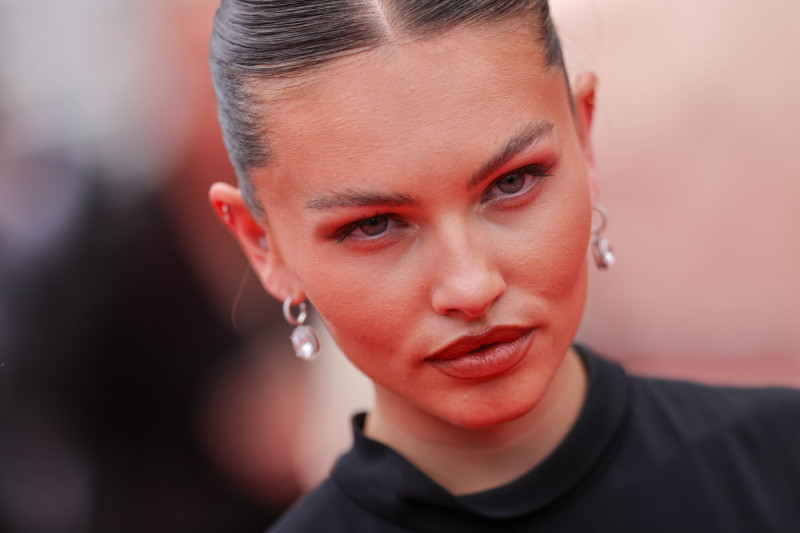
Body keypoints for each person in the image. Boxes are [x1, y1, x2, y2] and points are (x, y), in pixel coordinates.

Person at [205, 1, 800, 531]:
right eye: (374, 225)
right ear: (264, 245)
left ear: (584, 141)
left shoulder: (781, 462)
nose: (471, 286)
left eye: (512, 183)